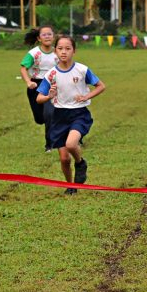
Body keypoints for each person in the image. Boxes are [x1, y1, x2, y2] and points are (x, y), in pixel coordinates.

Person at [36, 35, 105, 195]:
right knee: (64, 159)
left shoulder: (82, 70)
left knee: (71, 144)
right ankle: (70, 186)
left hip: (79, 114)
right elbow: (39, 98)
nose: (64, 52)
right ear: (55, 52)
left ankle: (80, 163)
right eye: (60, 49)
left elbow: (101, 86)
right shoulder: (51, 74)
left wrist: (86, 96)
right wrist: (49, 96)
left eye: (68, 48)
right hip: (59, 117)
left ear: (74, 51)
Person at [20, 25, 57, 152]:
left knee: (49, 114)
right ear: (39, 38)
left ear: (53, 36)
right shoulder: (33, 53)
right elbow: (23, 68)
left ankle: (50, 145)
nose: (47, 36)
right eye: (44, 34)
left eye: (50, 34)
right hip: (35, 85)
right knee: (40, 119)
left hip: (52, 85)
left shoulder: (58, 52)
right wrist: (28, 81)